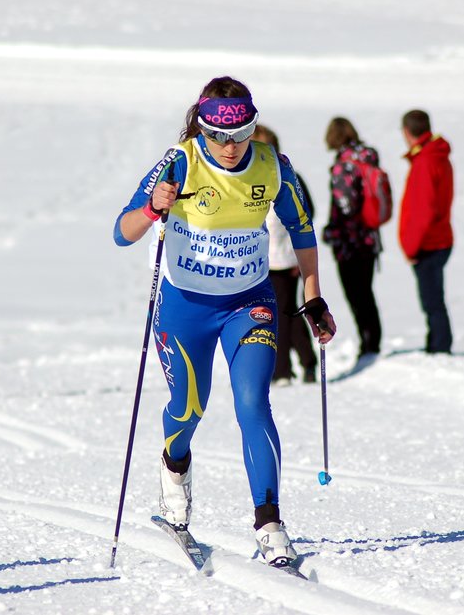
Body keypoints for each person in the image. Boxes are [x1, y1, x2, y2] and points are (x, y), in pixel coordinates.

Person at [113, 76, 336, 567]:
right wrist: (154, 208)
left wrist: (313, 296)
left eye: (242, 134)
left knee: (253, 402)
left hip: (248, 303)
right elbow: (121, 232)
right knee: (188, 409)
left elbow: (302, 230)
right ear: (202, 127)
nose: (231, 146)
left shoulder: (272, 167)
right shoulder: (180, 162)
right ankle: (174, 469)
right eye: (218, 135)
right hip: (185, 307)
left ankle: (270, 522)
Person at [252, 124, 318, 386]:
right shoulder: (252, 178)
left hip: (285, 259)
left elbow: (305, 216)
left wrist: (298, 258)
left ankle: (284, 370)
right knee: (285, 311)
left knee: (279, 313)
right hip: (265, 260)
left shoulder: (287, 177)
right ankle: (301, 365)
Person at [322, 117, 383, 368]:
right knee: (366, 293)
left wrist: (331, 232)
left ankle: (368, 344)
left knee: (356, 295)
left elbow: (345, 207)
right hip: (369, 238)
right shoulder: (367, 159)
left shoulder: (343, 166)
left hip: (350, 244)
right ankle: (372, 341)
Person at [399, 109, 454, 354]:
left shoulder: (426, 161)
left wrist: (412, 247)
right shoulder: (435, 156)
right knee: (433, 299)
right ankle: (437, 344)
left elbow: (422, 210)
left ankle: (440, 347)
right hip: (438, 238)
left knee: (432, 301)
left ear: (407, 132)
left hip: (429, 243)